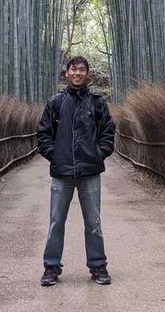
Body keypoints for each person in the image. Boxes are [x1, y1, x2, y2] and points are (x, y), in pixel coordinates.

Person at [37, 56, 116, 286]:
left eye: (82, 69)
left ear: (87, 74)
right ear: (67, 73)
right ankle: (51, 268)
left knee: (94, 222)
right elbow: (43, 135)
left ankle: (98, 266)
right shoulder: (55, 102)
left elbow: (108, 134)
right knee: (56, 221)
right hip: (62, 173)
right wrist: (56, 156)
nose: (78, 73)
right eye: (74, 69)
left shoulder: (97, 103)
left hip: (90, 172)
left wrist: (97, 155)